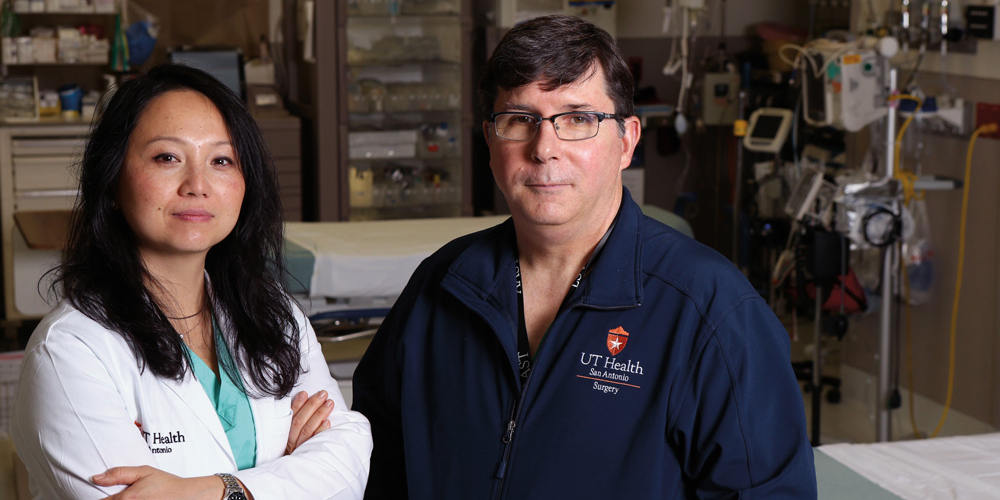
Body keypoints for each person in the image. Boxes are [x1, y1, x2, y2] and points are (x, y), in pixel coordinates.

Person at [353, 14, 815, 499]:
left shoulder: (711, 311)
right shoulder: (442, 285)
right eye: (519, 120)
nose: (544, 149)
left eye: (577, 119)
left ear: (626, 141)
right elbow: (375, 463)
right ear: (490, 142)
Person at [12, 64, 372, 500]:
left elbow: (350, 459)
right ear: (112, 180)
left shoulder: (274, 315)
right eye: (167, 158)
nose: (197, 185)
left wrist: (217, 490)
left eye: (221, 160)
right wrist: (296, 471)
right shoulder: (70, 351)